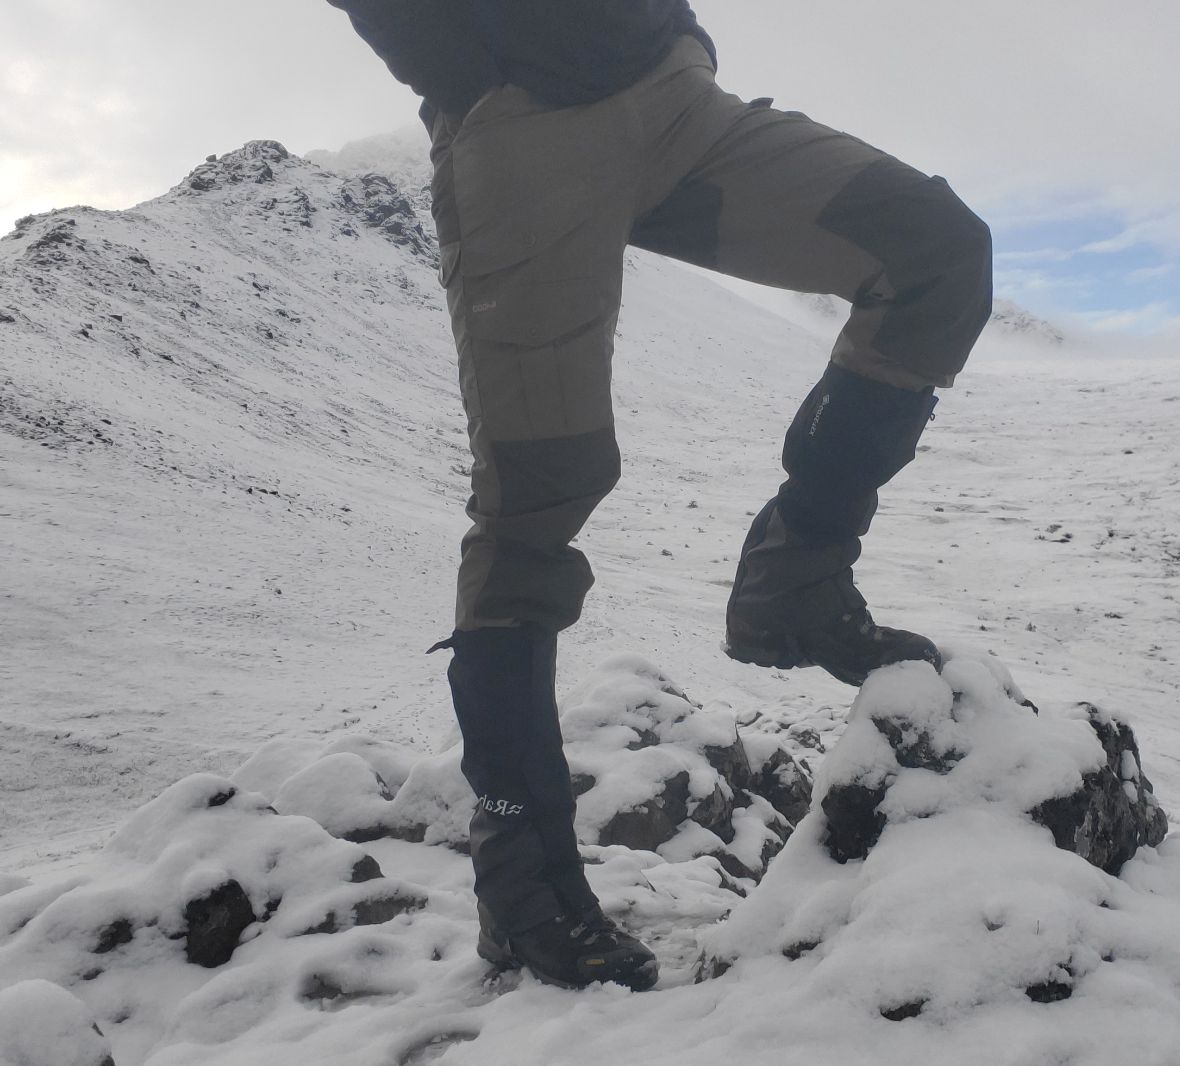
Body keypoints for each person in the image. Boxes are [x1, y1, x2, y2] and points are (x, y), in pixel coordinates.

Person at [328, 0, 992, 992]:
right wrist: (489, 71)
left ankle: (797, 575)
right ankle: (524, 886)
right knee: (538, 494)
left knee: (933, 252)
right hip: (530, 127)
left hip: (681, 99)